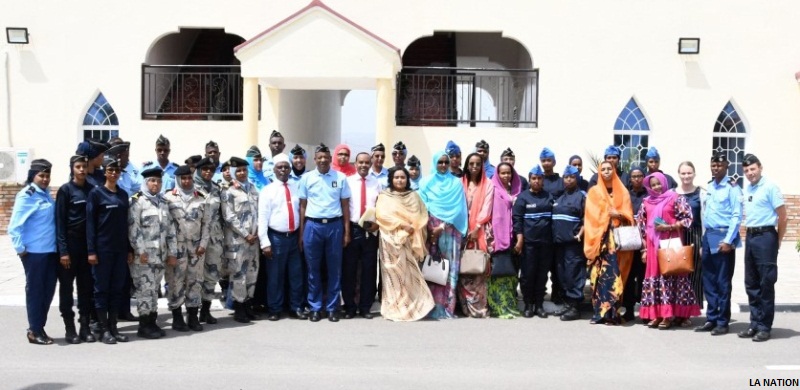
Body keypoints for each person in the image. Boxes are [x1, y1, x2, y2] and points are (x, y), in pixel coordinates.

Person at [636, 172, 700, 329]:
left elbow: (688, 219)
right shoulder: (646, 202)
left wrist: (669, 226)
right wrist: (644, 249)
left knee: (670, 277)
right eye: (653, 185)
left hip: (671, 243)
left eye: (659, 183)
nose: (656, 187)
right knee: (655, 277)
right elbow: (641, 226)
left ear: (664, 183)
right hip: (652, 246)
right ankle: (657, 315)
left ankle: (668, 315)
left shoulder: (676, 198)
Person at [298, 143, 351, 322]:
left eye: (326, 157)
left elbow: (345, 205)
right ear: (314, 159)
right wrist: (301, 234)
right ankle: (315, 307)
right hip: (313, 226)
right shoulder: (306, 178)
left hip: (334, 226)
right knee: (313, 269)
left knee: (334, 269)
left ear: (330, 159)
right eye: (319, 157)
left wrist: (346, 232)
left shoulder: (340, 177)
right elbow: (302, 206)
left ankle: (332, 308)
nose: (322, 160)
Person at [375, 166, 435, 321]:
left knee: (410, 275)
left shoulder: (414, 196)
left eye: (403, 177)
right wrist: (402, 225)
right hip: (390, 241)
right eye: (396, 177)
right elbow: (381, 216)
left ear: (407, 180)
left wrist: (411, 228)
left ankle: (413, 308)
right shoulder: (384, 196)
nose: (400, 180)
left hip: (410, 239)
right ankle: (394, 308)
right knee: (394, 276)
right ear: (391, 179)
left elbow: (422, 215)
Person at [738, 154, 786, 342]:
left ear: (760, 168)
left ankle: (765, 327)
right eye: (746, 170)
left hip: (766, 236)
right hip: (751, 236)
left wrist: (777, 240)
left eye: (752, 169)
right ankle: (755, 323)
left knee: (766, 282)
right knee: (751, 283)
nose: (750, 173)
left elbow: (783, 217)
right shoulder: (748, 189)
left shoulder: (770, 187)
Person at [10, 159, 57, 345]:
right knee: (36, 291)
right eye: (41, 176)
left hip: (50, 251)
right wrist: (20, 249)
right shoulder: (27, 195)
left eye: (47, 176)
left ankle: (39, 327)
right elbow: (15, 226)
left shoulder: (45, 194)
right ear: (33, 176)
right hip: (34, 253)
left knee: (48, 291)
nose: (45, 179)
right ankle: (34, 330)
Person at [695, 153, 742, 336]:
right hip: (709, 236)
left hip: (723, 236)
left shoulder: (733, 188)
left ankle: (722, 321)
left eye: (719, 165)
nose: (716, 168)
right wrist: (704, 241)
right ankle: (711, 318)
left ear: (726, 166)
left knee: (722, 281)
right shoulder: (710, 186)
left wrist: (729, 240)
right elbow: (706, 214)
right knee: (708, 280)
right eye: (713, 165)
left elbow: (736, 215)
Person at [86, 157, 132, 344]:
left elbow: (126, 225)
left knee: (117, 289)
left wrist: (129, 249)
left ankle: (114, 327)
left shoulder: (123, 195)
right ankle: (103, 329)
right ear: (105, 172)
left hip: (120, 249)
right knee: (101, 290)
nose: (114, 173)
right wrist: (91, 250)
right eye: (110, 170)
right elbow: (90, 224)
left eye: (117, 170)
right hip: (102, 249)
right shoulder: (96, 194)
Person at [129, 167, 178, 338]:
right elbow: (133, 229)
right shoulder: (137, 202)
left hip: (160, 256)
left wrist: (172, 252)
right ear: (145, 182)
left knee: (154, 290)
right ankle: (144, 326)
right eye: (152, 181)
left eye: (158, 181)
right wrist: (140, 251)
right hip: (144, 257)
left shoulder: (163, 202)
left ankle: (152, 322)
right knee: (145, 291)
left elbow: (170, 230)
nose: (155, 184)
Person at [257, 154, 307, 321]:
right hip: (276, 238)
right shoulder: (268, 191)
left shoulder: (296, 187)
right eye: (280, 167)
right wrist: (265, 243)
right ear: (274, 169)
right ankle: (275, 308)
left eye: (286, 167)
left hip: (294, 236)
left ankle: (296, 307)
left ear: (290, 169)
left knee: (296, 275)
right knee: (275, 276)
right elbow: (262, 218)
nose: (283, 170)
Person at [583, 161, 634, 325]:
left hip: (618, 245)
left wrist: (618, 215)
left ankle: (613, 314)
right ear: (599, 172)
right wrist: (606, 218)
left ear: (614, 170)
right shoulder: (594, 192)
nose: (606, 171)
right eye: (603, 169)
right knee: (599, 277)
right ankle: (599, 314)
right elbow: (590, 218)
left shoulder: (623, 192)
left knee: (614, 278)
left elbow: (629, 217)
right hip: (600, 243)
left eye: (609, 169)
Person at [419, 151, 468, 319]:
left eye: (446, 162)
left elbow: (459, 209)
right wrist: (432, 230)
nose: (443, 165)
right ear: (434, 163)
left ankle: (447, 307)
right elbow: (422, 206)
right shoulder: (425, 183)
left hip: (451, 231)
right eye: (439, 162)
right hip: (431, 231)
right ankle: (431, 307)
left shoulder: (456, 183)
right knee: (432, 268)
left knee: (450, 269)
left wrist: (442, 226)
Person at [55, 155, 96, 344]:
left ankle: (85, 327)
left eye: (84, 166)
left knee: (86, 289)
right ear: (72, 168)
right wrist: (63, 251)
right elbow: (60, 222)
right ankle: (69, 328)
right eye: (78, 166)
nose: (81, 170)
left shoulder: (92, 189)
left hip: (86, 246)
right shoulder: (65, 190)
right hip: (70, 246)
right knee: (66, 289)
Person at [165, 165, 209, 332]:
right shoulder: (168, 198)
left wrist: (203, 244)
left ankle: (193, 316)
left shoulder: (201, 197)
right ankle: (177, 317)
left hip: (196, 247)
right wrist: (170, 250)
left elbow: (207, 223)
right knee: (175, 281)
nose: (186, 181)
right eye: (183, 178)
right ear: (178, 179)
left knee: (195, 281)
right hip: (177, 247)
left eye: (189, 178)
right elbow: (166, 225)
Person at [221, 157, 261, 323]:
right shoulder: (228, 191)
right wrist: (246, 234)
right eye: (238, 171)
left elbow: (258, 211)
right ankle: (239, 308)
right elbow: (229, 217)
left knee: (252, 272)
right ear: (232, 172)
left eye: (244, 170)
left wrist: (256, 232)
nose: (242, 173)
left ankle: (247, 304)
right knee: (239, 274)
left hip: (253, 239)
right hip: (238, 240)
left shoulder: (252, 188)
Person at [342, 152, 381, 319]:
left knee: (369, 270)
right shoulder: (348, 182)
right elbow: (344, 206)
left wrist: (377, 225)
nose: (364, 165)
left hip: (370, 230)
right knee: (349, 270)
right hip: (353, 229)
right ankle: (350, 307)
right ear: (355, 164)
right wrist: (346, 232)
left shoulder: (377, 183)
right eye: (361, 162)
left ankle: (365, 307)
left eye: (367, 162)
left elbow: (381, 206)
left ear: (370, 164)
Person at [513, 165, 553, 319]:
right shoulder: (523, 198)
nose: (536, 181)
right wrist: (519, 240)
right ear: (529, 180)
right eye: (534, 178)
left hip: (546, 244)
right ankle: (528, 305)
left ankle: (539, 305)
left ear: (543, 180)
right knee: (528, 275)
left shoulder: (549, 197)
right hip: (529, 245)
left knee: (542, 275)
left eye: (539, 178)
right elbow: (517, 220)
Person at [459, 152, 494, 318]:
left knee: (478, 268)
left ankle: (479, 308)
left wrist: (477, 227)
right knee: (463, 267)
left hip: (479, 231)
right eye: (471, 163)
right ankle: (465, 308)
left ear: (482, 166)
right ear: (467, 165)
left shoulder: (488, 184)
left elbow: (487, 208)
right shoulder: (460, 183)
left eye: (478, 164)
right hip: (461, 230)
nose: (474, 167)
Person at [488, 162, 522, 319]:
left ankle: (509, 305)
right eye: (503, 173)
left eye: (509, 173)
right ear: (497, 174)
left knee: (511, 274)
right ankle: (498, 307)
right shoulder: (493, 190)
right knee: (498, 273)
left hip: (513, 237)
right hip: (498, 238)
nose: (506, 176)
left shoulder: (516, 191)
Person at [551, 165, 586, 321]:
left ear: (577, 178)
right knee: (562, 275)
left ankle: (575, 307)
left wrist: (579, 234)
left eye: (572, 177)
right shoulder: (560, 197)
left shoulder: (582, 197)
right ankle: (567, 304)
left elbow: (586, 219)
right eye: (566, 177)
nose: (569, 180)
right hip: (559, 244)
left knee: (574, 274)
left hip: (573, 245)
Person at [194, 157, 225, 324]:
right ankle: (192, 311)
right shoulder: (190, 187)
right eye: (205, 169)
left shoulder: (216, 188)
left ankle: (205, 310)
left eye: (211, 170)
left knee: (212, 274)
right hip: (196, 238)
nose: (208, 172)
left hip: (214, 237)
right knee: (194, 275)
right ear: (199, 170)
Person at [675, 161, 706, 310]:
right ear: (679, 175)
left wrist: (704, 242)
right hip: (678, 236)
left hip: (696, 235)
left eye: (689, 173)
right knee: (677, 273)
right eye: (683, 173)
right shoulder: (672, 193)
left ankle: (692, 310)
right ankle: (678, 309)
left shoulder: (701, 193)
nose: (686, 176)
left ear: (694, 174)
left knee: (695, 273)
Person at [539, 147, 564, 305]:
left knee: (557, 265)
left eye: (549, 160)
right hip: (541, 229)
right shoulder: (537, 179)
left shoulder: (560, 181)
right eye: (544, 161)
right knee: (541, 264)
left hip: (557, 228)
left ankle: (557, 294)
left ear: (554, 162)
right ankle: (539, 294)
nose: (546, 163)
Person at [623, 165, 647, 321]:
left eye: (639, 176)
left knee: (644, 276)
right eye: (634, 176)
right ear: (630, 179)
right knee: (629, 276)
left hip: (645, 242)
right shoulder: (626, 195)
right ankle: (629, 309)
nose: (637, 179)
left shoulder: (649, 195)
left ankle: (645, 311)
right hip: (629, 241)